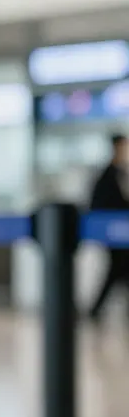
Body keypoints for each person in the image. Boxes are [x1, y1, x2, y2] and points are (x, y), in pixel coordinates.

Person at [88, 134, 129, 322]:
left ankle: (95, 310)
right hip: (113, 232)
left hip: (119, 232)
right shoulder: (108, 175)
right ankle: (94, 309)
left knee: (119, 270)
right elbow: (102, 203)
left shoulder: (119, 173)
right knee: (116, 270)